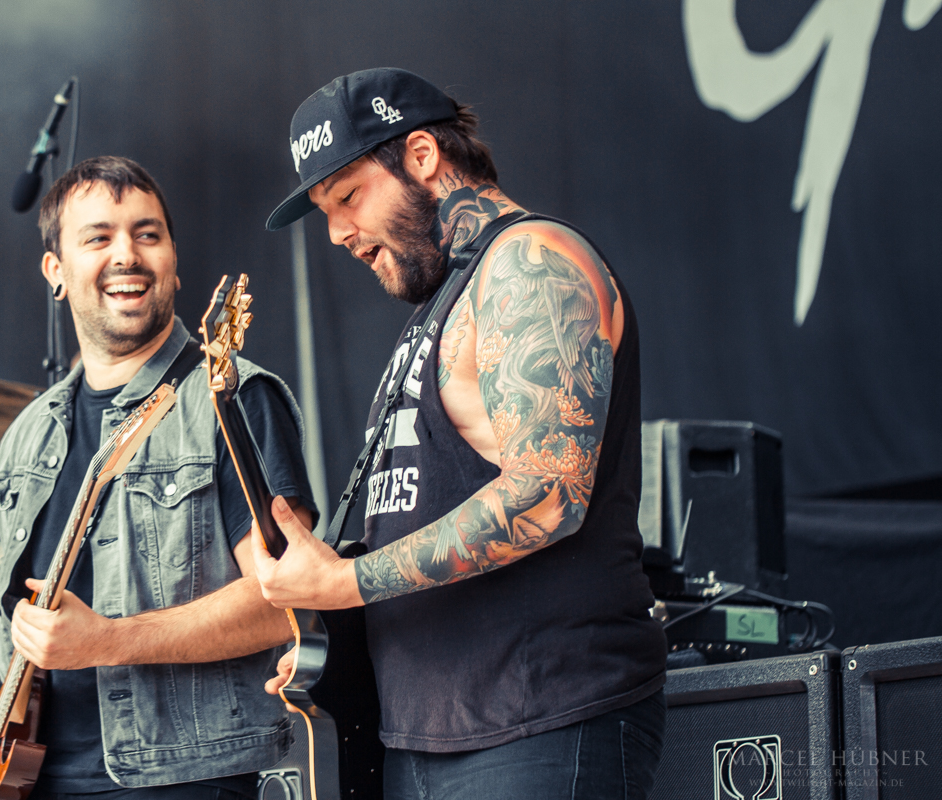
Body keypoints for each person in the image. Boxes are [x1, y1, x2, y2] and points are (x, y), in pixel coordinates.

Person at [253, 68, 669, 799]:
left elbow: (546, 495)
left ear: (421, 156)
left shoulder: (530, 263)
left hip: (541, 721)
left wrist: (344, 583)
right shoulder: (447, 298)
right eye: (325, 211)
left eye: (348, 197)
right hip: (423, 737)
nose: (339, 233)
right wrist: (334, 641)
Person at [0, 156, 316, 800]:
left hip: (187, 778)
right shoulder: (28, 431)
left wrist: (106, 641)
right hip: (27, 780)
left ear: (173, 261)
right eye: (98, 237)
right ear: (55, 271)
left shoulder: (231, 396)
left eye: (147, 234)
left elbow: (288, 603)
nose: (127, 254)